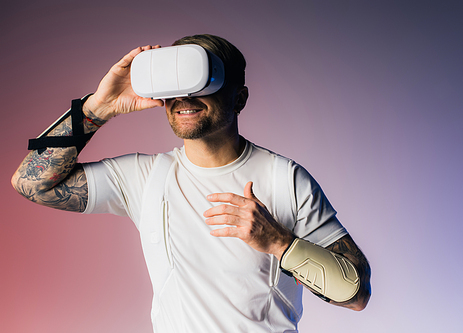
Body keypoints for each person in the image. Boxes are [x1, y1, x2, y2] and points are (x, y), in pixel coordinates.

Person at [12, 34, 371, 332]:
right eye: (176, 87)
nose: (184, 98)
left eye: (201, 83)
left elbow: (356, 295)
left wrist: (277, 241)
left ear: (239, 98)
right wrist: (96, 108)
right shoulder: (144, 176)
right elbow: (33, 184)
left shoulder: (284, 179)